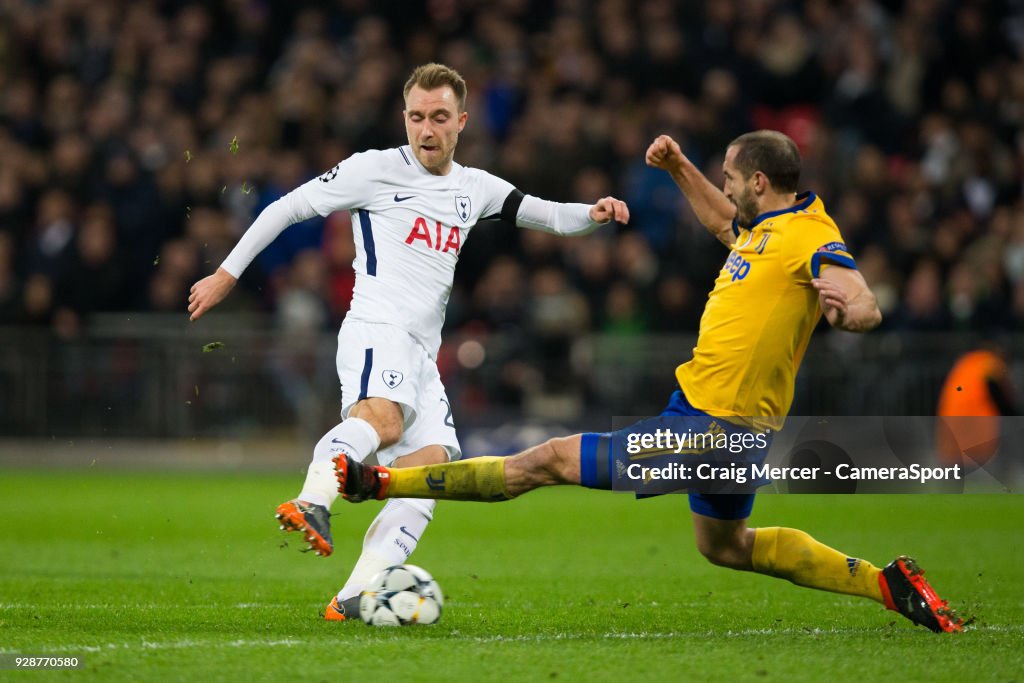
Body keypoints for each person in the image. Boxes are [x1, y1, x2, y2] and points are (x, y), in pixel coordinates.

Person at [336, 130, 966, 633]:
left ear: (759, 181)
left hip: (712, 432)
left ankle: (383, 479)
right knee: (726, 546)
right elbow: (728, 227)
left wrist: (850, 310)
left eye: (728, 175)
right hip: (722, 426)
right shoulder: (766, 229)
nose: (723, 184)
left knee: (549, 461)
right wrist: (679, 167)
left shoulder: (811, 236)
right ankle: (887, 584)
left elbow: (865, 303)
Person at [187, 63, 629, 621]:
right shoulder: (374, 170)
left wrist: (593, 215)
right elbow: (286, 207)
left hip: (422, 353)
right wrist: (227, 274)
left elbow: (549, 216)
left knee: (429, 473)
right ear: (404, 118)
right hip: (377, 328)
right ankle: (313, 498)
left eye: (439, 118)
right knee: (386, 422)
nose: (427, 129)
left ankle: (354, 597)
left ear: (461, 122)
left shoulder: (475, 188)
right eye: (417, 117)